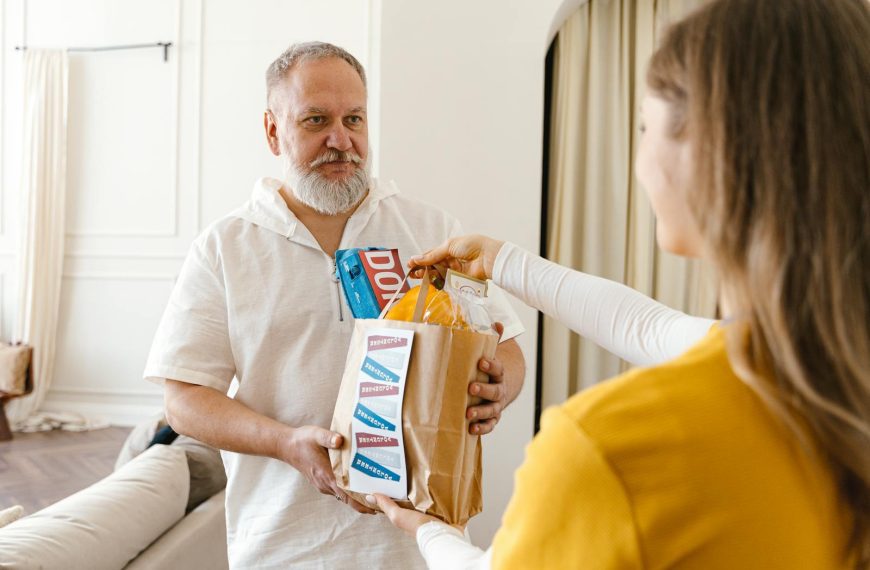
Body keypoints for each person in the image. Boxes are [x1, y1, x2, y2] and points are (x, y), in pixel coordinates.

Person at [371, 0, 870, 568]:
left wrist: (432, 532)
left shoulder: (606, 451)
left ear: (711, 156)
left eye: (644, 126)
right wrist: (502, 259)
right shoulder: (832, 383)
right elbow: (650, 327)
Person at [143, 42, 529, 569]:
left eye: (354, 119)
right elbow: (183, 398)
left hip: (424, 545)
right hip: (282, 547)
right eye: (316, 120)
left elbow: (504, 346)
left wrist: (497, 388)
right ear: (273, 130)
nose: (340, 140)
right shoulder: (224, 248)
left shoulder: (433, 232)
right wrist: (285, 443)